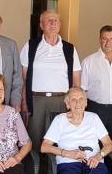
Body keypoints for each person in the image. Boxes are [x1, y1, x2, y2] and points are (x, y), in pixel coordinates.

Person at [20, 10, 81, 157]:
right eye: (49, 20)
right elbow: (23, 78)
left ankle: (55, 169)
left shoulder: (69, 48)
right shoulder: (31, 46)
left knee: (59, 138)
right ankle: (34, 168)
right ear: (41, 25)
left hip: (62, 100)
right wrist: (23, 102)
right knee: (34, 137)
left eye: (56, 21)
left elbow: (76, 79)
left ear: (60, 25)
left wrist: (76, 102)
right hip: (36, 99)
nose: (53, 23)